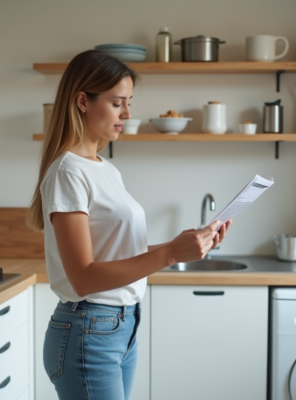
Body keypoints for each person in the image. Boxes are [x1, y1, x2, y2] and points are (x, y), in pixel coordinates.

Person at [26, 49, 231, 400]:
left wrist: (186, 246)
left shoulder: (105, 168)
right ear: (82, 101)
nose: (128, 114)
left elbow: (118, 255)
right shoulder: (67, 172)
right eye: (118, 102)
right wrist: (168, 254)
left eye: (129, 103)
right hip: (89, 330)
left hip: (120, 327)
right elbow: (84, 277)